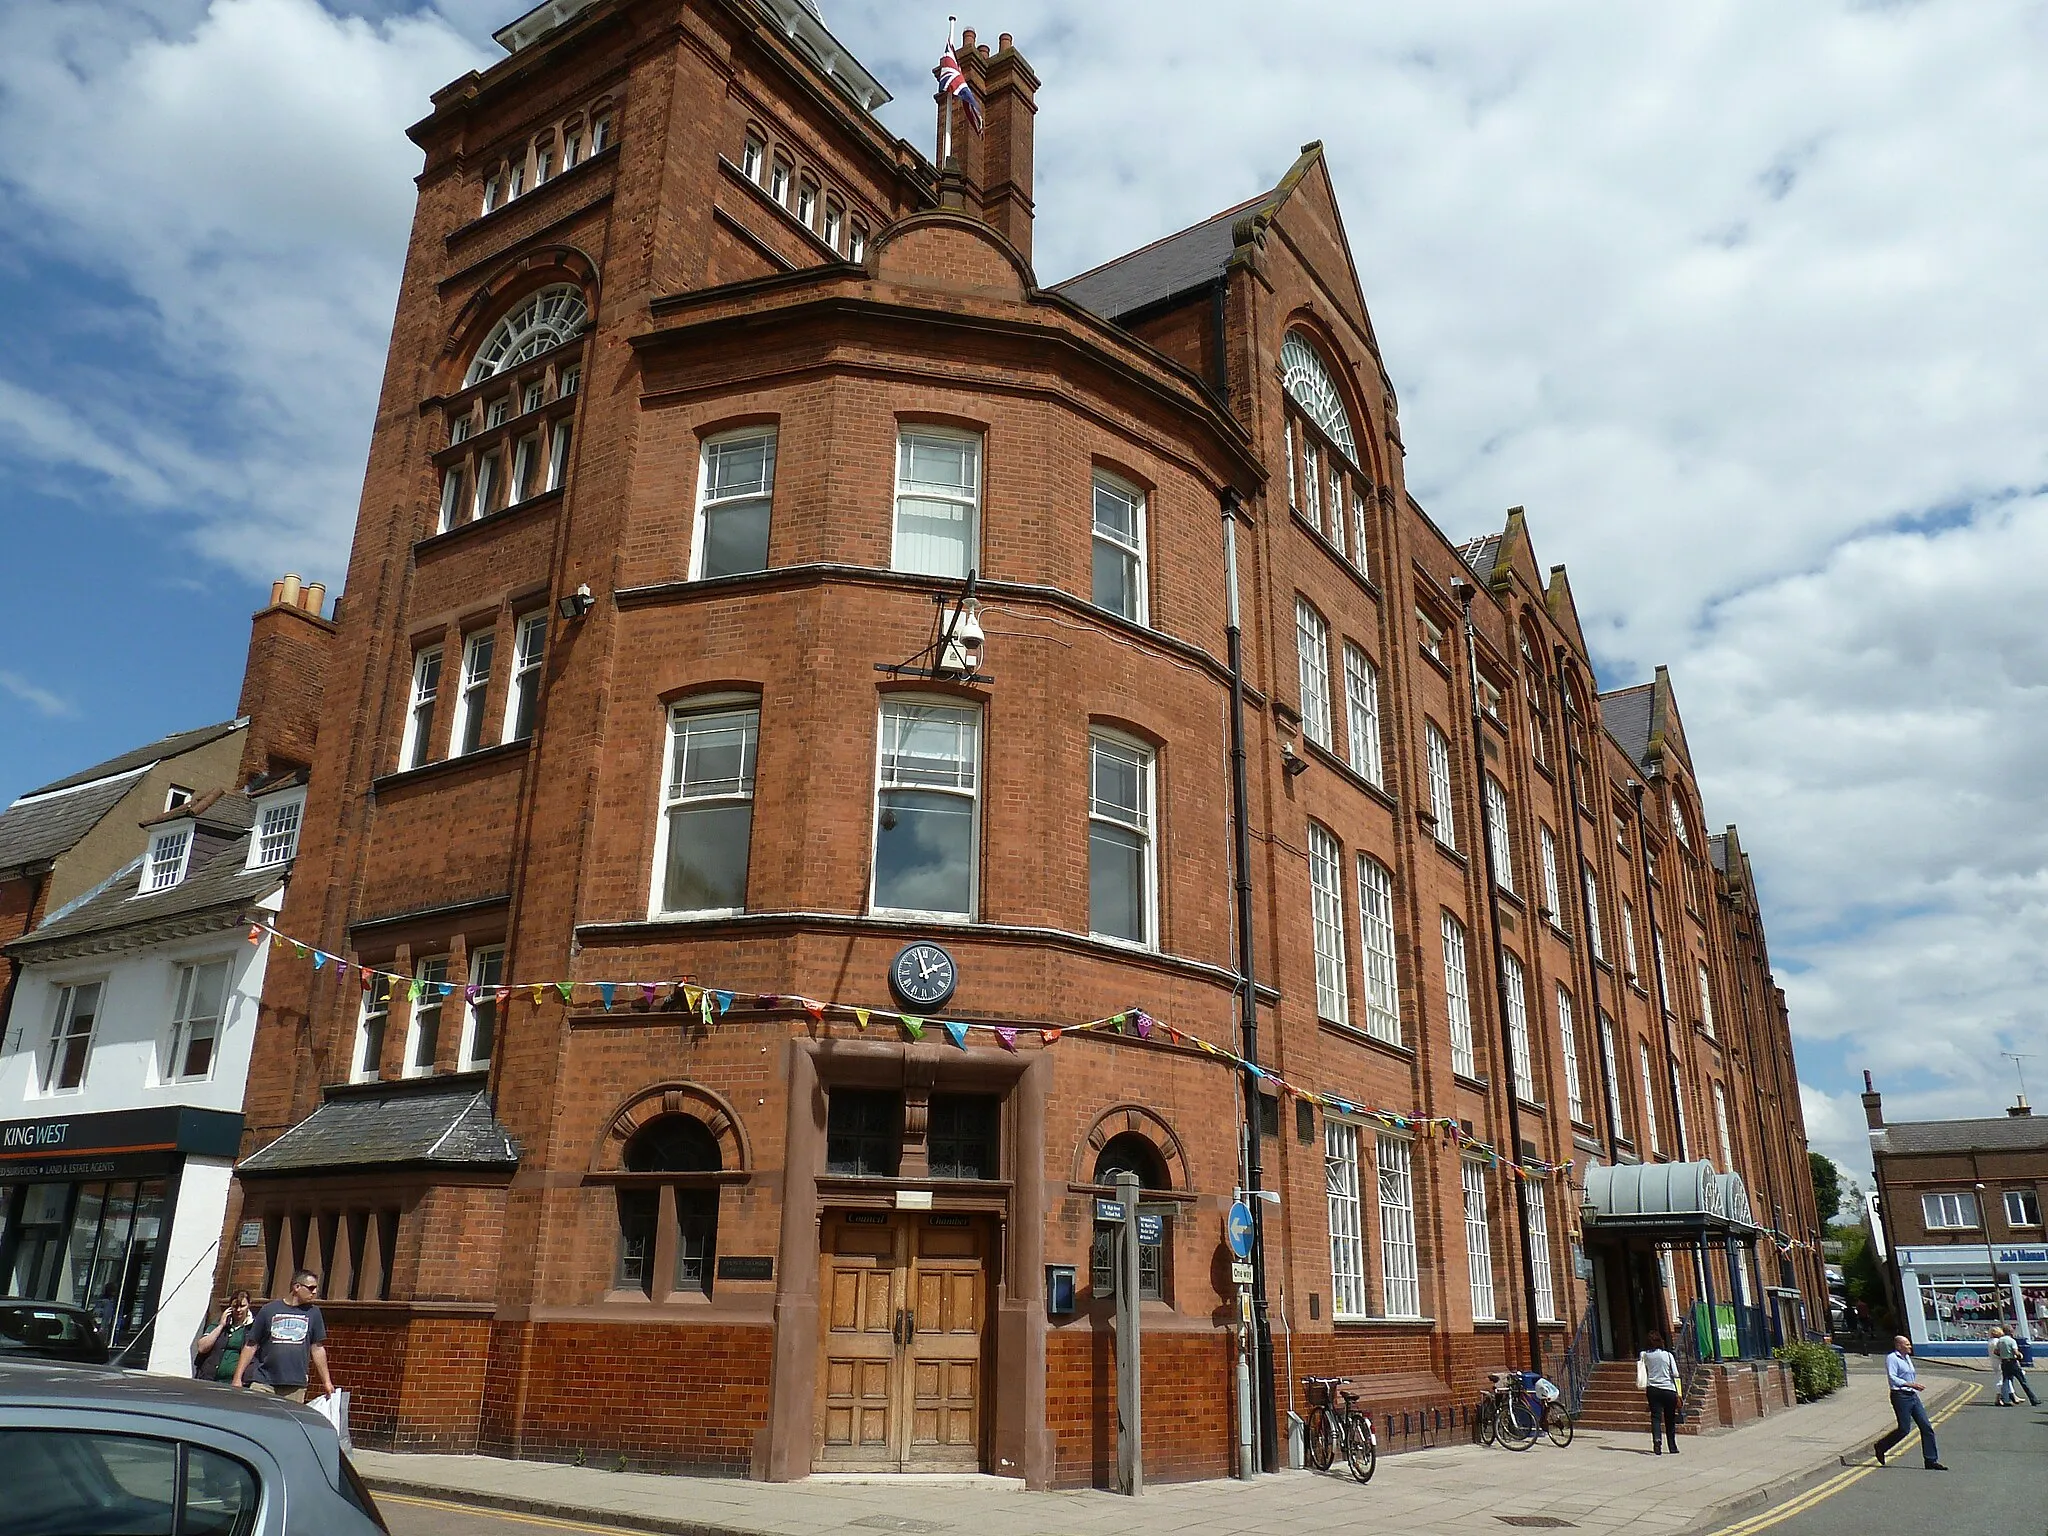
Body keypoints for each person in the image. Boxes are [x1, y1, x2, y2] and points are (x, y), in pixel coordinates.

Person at [232, 1270, 333, 1403]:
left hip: (294, 1386)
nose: (314, 1292)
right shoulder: (269, 1310)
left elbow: (317, 1348)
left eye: (315, 1288)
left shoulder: (314, 1313)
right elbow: (251, 1345)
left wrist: (326, 1381)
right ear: (297, 1287)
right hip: (263, 1382)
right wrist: (237, 1377)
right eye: (311, 1288)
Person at [1873, 1334, 1947, 1469]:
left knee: (1926, 1427)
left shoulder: (1907, 1358)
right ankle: (1881, 1446)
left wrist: (1913, 1387)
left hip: (1912, 1395)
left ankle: (1931, 1460)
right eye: (1907, 1344)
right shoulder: (1892, 1358)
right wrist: (1911, 1384)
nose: (1910, 1346)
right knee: (1904, 1429)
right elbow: (1892, 1377)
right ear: (1899, 1345)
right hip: (1900, 1396)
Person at [192, 1290, 255, 1384]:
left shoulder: (253, 1328)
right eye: (235, 1306)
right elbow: (202, 1348)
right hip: (209, 1378)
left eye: (242, 1306)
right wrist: (221, 1326)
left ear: (249, 1305)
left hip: (234, 1382)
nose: (238, 1310)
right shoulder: (218, 1324)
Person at [1640, 1330, 1681, 1455]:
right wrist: (1679, 1392)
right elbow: (1675, 1374)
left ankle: (1657, 1441)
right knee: (1670, 1418)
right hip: (1668, 1389)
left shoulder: (1644, 1355)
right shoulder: (1667, 1355)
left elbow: (1643, 1370)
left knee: (1656, 1417)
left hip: (1652, 1389)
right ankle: (1672, 1445)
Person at [1991, 1326, 2038, 1407]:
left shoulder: (2000, 1341)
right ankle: (2033, 1399)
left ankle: (2006, 1400)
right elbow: (2016, 1352)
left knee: (2005, 1381)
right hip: (2012, 1362)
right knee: (2023, 1381)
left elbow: (1995, 1351)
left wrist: (2002, 1355)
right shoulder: (2012, 1341)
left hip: (2004, 1362)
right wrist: (2020, 1356)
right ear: (2010, 1332)